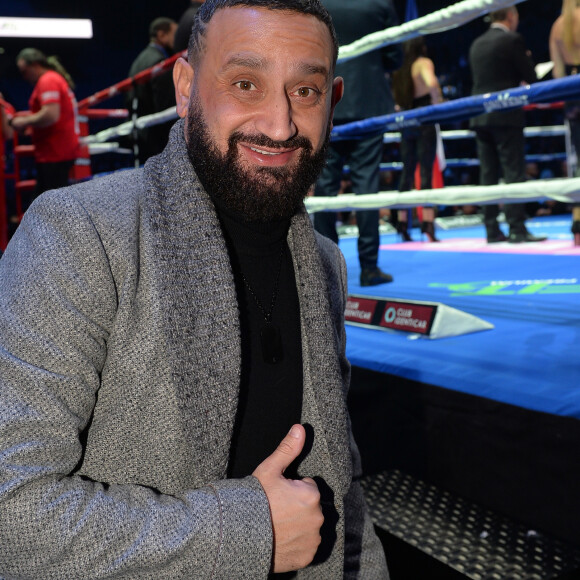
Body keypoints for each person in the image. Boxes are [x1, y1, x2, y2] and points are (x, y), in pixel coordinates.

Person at [0, 1, 388, 578]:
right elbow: (13, 516)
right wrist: (250, 531)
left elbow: (341, 488)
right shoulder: (81, 233)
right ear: (185, 87)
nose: (280, 126)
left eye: (303, 92)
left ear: (331, 100)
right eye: (245, 83)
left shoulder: (324, 263)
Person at [314, 0, 402, 286]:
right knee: (366, 186)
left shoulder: (319, 3)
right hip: (368, 101)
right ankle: (369, 268)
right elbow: (394, 55)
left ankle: (327, 269)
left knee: (325, 187)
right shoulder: (378, 4)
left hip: (328, 102)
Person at [469, 7, 547, 243]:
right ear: (511, 16)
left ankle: (492, 230)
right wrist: (528, 60)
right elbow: (530, 78)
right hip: (505, 115)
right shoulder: (512, 40)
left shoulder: (477, 43)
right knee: (513, 172)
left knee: (488, 174)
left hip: (481, 116)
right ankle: (517, 229)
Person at [11, 49, 79, 203]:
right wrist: (32, 126)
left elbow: (50, 114)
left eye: (25, 71)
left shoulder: (48, 80)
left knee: (48, 207)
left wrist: (24, 121)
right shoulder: (52, 79)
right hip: (56, 151)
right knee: (45, 205)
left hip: (55, 152)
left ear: (34, 65)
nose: (24, 77)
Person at [392, 36, 442, 242]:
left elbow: (396, 101)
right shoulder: (423, 63)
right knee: (426, 172)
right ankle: (428, 225)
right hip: (424, 118)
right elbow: (431, 83)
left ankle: (403, 224)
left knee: (407, 172)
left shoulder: (401, 69)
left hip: (406, 121)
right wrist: (439, 102)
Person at [550, 0, 580, 245]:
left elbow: (558, 75)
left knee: (579, 162)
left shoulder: (558, 26)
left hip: (572, 99)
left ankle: (578, 221)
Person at [127, 17, 178, 162]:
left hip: (141, 133)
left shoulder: (140, 59)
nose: (177, 39)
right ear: (162, 35)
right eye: (174, 34)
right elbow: (165, 106)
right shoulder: (159, 62)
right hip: (155, 138)